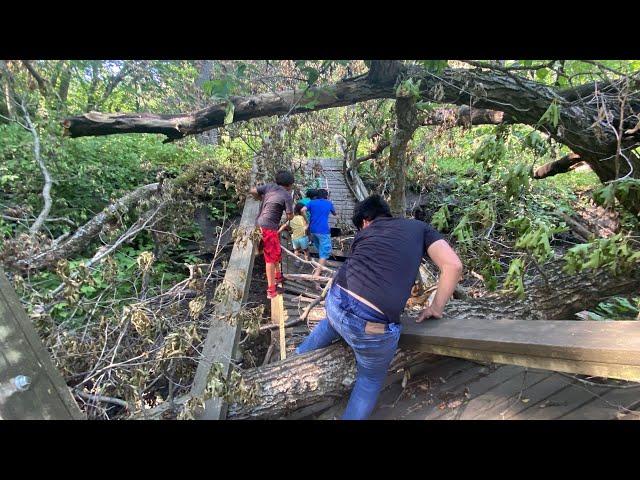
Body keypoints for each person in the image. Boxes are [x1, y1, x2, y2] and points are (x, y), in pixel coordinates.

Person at [295, 194, 463, 420]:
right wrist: (436, 307)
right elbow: (453, 265)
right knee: (370, 379)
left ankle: (296, 358)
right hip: (371, 329)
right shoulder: (419, 228)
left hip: (334, 302)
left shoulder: (364, 235)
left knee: (334, 321)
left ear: (365, 221)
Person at [249, 170, 294, 299]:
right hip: (269, 228)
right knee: (270, 258)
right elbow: (290, 215)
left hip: (259, 224)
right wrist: (290, 214)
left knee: (276, 252)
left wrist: (261, 198)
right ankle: (271, 290)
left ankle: (278, 276)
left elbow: (253, 191)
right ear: (289, 185)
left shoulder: (269, 187)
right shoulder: (286, 195)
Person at [301, 188, 336, 278]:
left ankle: (320, 267)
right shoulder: (328, 203)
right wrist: (330, 203)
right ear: (326, 196)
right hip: (323, 231)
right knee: (324, 252)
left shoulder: (312, 202)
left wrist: (307, 221)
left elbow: (302, 210)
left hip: (313, 230)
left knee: (321, 250)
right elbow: (334, 213)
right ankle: (317, 274)